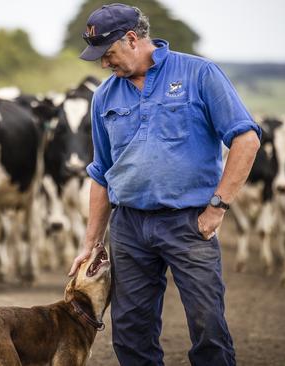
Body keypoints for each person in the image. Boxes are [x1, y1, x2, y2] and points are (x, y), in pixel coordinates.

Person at [67, 3, 261, 366]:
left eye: (108, 54)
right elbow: (101, 173)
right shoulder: (104, 97)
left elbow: (246, 139)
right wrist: (91, 243)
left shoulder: (199, 74)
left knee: (208, 327)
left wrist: (217, 207)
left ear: (132, 39)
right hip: (128, 228)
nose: (105, 64)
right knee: (130, 332)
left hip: (190, 223)